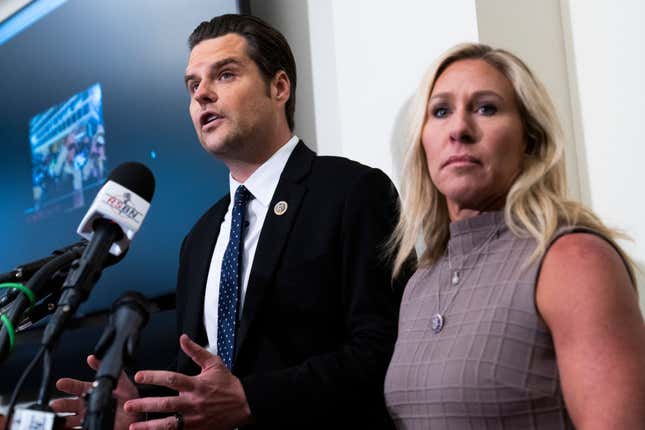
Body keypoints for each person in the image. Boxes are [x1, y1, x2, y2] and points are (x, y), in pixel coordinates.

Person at [51, 14, 410, 430]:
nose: (202, 94)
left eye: (224, 75)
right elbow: (204, 383)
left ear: (279, 87)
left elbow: (385, 348)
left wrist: (252, 400)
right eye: (192, 85)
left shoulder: (352, 192)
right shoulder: (200, 237)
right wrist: (139, 408)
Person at [383, 43, 645, 429]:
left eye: (486, 108)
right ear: (422, 143)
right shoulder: (421, 281)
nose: (458, 129)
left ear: (530, 140)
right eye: (440, 111)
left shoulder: (573, 260)